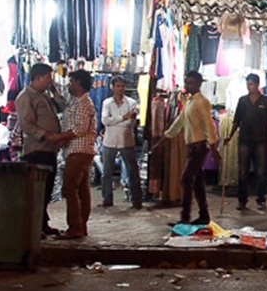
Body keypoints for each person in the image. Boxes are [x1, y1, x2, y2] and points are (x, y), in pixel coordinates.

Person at [152, 71, 221, 226]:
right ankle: (203, 215)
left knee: (186, 179)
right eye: (186, 82)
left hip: (199, 146)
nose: (187, 85)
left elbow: (209, 125)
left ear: (198, 84)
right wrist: (164, 139)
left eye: (190, 83)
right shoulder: (190, 101)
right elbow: (179, 121)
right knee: (196, 182)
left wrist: (214, 147)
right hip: (192, 146)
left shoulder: (201, 102)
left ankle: (185, 217)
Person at [16, 63, 72, 236]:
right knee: (35, 191)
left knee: (46, 189)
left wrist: (55, 93)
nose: (50, 81)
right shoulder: (26, 97)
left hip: (49, 150)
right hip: (36, 150)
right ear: (38, 77)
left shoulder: (45, 96)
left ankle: (42, 223)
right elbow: (27, 124)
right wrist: (47, 135)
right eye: (48, 78)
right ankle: (33, 227)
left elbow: (64, 108)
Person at [224, 73, 267, 211]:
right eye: (247, 84)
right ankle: (242, 200)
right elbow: (236, 121)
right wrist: (229, 136)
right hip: (245, 139)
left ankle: (261, 200)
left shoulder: (266, 101)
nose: (249, 86)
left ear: (257, 85)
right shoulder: (242, 101)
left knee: (261, 171)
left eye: (251, 84)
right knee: (243, 171)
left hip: (261, 140)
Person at [58, 69, 97, 239]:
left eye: (71, 81)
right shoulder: (77, 102)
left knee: (69, 188)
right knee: (81, 189)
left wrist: (60, 136)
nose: (69, 85)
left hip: (79, 150)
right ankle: (81, 224)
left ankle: (75, 226)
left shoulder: (83, 103)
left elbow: (80, 128)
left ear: (78, 83)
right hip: (78, 150)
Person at [100, 75, 142, 209]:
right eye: (117, 86)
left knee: (133, 172)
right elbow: (105, 120)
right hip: (110, 141)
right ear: (112, 87)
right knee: (107, 173)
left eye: (122, 86)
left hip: (126, 141)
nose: (120, 89)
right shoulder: (107, 103)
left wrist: (115, 121)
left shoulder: (131, 103)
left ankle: (136, 200)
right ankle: (107, 199)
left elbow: (130, 124)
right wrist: (123, 117)